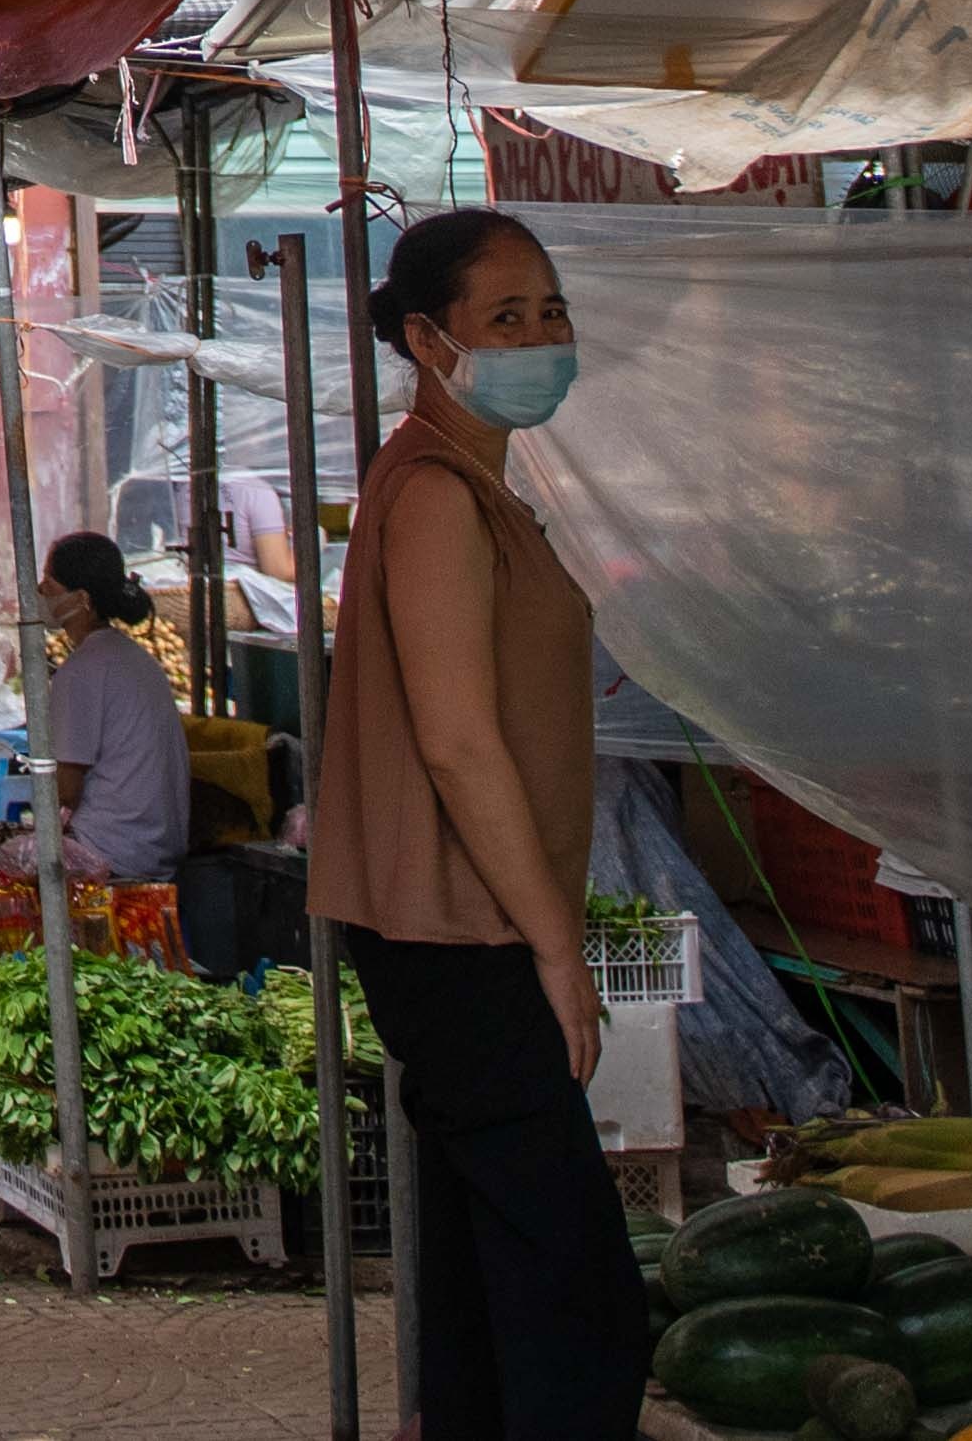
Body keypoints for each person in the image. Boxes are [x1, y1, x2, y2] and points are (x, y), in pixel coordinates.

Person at [315, 207, 633, 1441]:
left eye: (549, 311)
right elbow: (454, 738)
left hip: (465, 932)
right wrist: (555, 945)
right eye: (504, 317)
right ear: (423, 339)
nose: (540, 334)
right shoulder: (437, 494)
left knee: (481, 1262)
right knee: (572, 1287)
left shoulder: (465, 487)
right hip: (464, 937)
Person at [35, 531, 203, 882]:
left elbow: (66, 790)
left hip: (115, 851)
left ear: (81, 598)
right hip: (156, 845)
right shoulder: (132, 657)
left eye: (49, 583)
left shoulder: (81, 671)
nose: (40, 591)